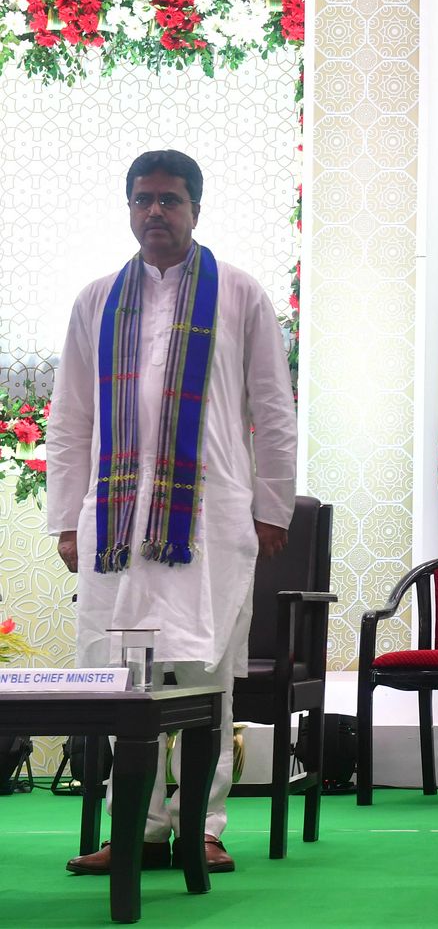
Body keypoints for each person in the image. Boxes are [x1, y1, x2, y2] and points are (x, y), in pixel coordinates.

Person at [47, 149, 297, 875]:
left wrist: (273, 506)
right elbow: (70, 417)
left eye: (170, 199)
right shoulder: (97, 300)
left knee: (205, 672)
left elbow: (272, 408)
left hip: (211, 519)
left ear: (196, 208)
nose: (155, 211)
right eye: (143, 199)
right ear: (129, 208)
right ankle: (140, 826)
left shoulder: (239, 293)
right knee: (126, 674)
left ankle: (204, 826)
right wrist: (66, 516)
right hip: (117, 525)